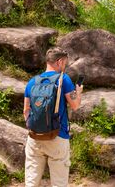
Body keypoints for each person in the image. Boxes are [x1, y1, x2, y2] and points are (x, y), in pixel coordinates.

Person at [23, 47, 83, 187]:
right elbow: (75, 105)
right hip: (58, 135)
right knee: (59, 183)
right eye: (65, 63)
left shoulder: (32, 82)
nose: (65, 66)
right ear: (59, 61)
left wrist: (34, 125)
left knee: (31, 182)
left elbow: (26, 110)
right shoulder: (64, 80)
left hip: (34, 137)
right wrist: (78, 92)